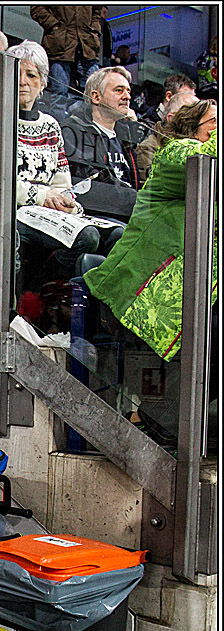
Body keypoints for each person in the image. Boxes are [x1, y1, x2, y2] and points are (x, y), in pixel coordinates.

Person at [84, 100, 217, 445]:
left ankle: (169, 424)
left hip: (197, 299)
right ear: (190, 130)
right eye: (213, 123)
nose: (217, 129)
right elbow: (201, 156)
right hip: (145, 292)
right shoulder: (175, 157)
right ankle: (151, 420)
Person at [0, 41, 98, 288]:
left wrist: (62, 200)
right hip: (1, 210)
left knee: (115, 236)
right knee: (87, 239)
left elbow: (61, 181)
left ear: (43, 83)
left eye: (31, 75)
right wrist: (41, 195)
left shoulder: (50, 125)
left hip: (44, 211)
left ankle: (41, 292)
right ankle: (35, 293)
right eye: (17, 74)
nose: (23, 81)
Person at [62, 66, 141, 193]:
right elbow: (93, 187)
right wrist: (138, 202)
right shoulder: (74, 132)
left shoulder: (126, 137)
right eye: (119, 90)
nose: (127, 97)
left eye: (128, 91)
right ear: (96, 97)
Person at [30, 6, 103, 98]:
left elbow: (97, 10)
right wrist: (53, 25)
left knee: (92, 93)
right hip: (61, 46)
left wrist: (95, 29)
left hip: (86, 45)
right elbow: (37, 8)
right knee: (60, 92)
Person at [135, 90, 199, 186]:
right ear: (171, 118)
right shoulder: (149, 147)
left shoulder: (199, 144)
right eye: (190, 115)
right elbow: (155, 188)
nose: (197, 122)